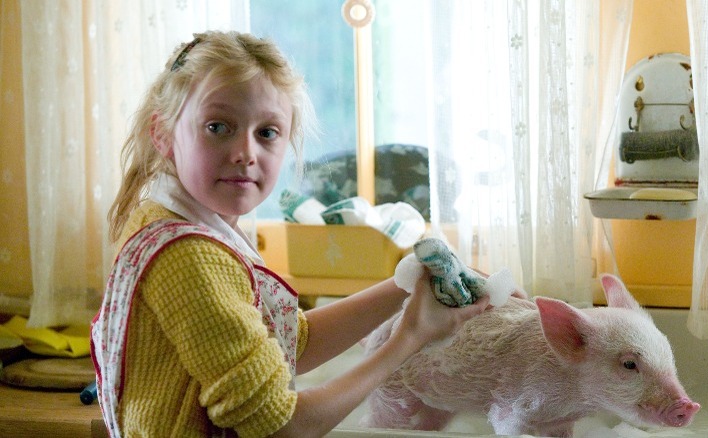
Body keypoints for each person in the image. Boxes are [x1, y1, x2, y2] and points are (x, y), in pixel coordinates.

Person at [91, 30, 489, 438]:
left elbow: (289, 343)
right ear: (163, 134)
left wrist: (406, 281)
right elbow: (282, 428)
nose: (246, 152)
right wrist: (410, 337)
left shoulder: (174, 221)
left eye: (266, 132)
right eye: (217, 126)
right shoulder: (189, 256)